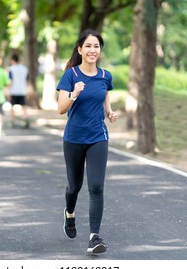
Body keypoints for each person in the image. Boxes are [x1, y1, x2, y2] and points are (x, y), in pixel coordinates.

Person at [56, 29, 118, 254]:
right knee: (75, 186)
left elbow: (104, 94)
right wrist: (73, 94)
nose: (93, 50)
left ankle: (94, 237)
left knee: (97, 186)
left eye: (97, 46)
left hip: (97, 137)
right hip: (73, 137)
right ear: (80, 49)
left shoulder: (105, 76)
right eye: (89, 46)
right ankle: (69, 214)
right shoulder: (70, 76)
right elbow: (61, 109)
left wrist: (109, 112)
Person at [8, 54, 29, 128]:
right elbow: (26, 80)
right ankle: (25, 120)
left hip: (13, 90)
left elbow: (11, 80)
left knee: (12, 106)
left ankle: (11, 121)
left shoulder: (11, 69)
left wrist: (8, 90)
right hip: (22, 90)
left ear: (13, 60)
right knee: (24, 106)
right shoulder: (24, 69)